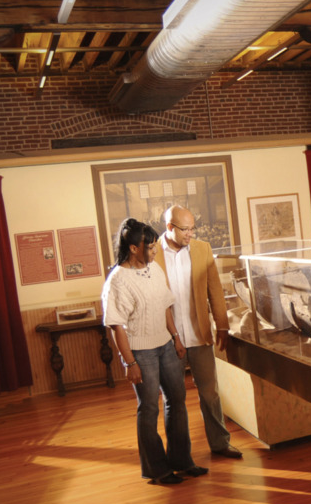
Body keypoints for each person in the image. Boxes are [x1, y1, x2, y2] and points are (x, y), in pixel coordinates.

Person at [102, 218, 208, 484]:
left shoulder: (155, 269)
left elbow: (164, 306)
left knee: (177, 401)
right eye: (149, 247)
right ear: (133, 248)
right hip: (141, 353)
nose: (154, 251)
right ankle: (157, 469)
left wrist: (176, 338)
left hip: (165, 346)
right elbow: (116, 326)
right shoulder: (117, 280)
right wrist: (129, 363)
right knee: (149, 408)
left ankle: (182, 461)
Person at [156, 205, 242, 460]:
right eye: (185, 229)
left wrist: (222, 326)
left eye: (193, 228)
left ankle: (220, 444)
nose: (191, 234)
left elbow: (215, 291)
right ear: (169, 227)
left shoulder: (203, 249)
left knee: (210, 393)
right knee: (174, 398)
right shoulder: (152, 253)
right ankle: (179, 454)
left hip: (199, 335)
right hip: (168, 339)